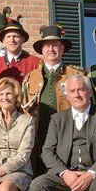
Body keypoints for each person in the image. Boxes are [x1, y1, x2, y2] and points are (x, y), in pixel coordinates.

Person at [23, 25, 85, 173]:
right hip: (39, 136)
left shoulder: (76, 75)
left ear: (62, 49)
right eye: (47, 46)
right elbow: (24, 109)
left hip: (68, 135)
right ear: (42, 50)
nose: (51, 49)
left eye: (55, 45)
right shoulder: (31, 77)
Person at [0, 15, 40, 81]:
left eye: (15, 36)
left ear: (23, 39)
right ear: (3, 40)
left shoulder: (36, 64)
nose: (12, 40)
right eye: (8, 36)